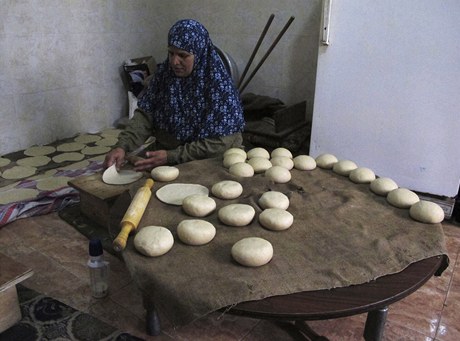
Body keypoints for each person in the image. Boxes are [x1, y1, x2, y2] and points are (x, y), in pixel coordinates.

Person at [104, 19, 245, 171]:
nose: (174, 62)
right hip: (168, 150)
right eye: (171, 53)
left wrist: (172, 156)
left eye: (183, 55)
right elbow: (145, 116)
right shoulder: (165, 76)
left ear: (199, 54)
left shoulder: (218, 86)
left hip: (208, 157)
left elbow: (221, 143)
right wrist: (122, 146)